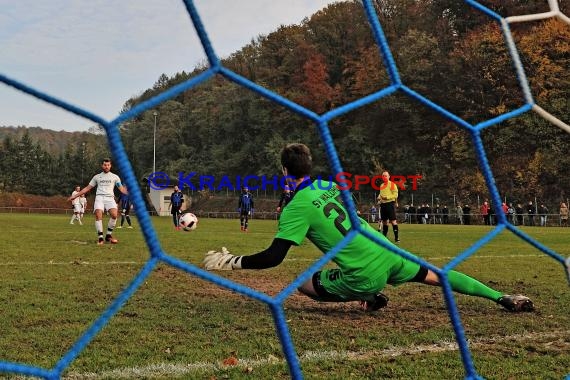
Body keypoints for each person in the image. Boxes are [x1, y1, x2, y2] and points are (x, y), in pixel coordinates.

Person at [203, 143, 534, 313]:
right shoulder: (328, 184)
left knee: (303, 284)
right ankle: (501, 297)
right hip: (387, 251)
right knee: (439, 276)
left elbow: (274, 257)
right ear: (309, 166)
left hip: (364, 272)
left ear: (284, 170)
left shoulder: (295, 208)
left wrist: (233, 262)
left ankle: (370, 296)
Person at [67, 158, 127, 245]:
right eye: (105, 165)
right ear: (102, 166)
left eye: (108, 165)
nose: (106, 167)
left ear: (110, 166)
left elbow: (121, 188)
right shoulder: (97, 177)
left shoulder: (115, 177)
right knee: (98, 215)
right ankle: (100, 238)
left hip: (110, 198)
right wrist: (75, 196)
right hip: (99, 198)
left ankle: (108, 236)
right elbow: (87, 188)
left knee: (114, 215)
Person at [376, 171, 400, 242]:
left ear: (389, 176)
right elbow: (380, 194)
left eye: (386, 176)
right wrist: (379, 199)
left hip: (390, 204)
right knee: (384, 222)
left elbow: (395, 195)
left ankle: (396, 238)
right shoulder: (381, 185)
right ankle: (384, 238)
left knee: (393, 221)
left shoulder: (392, 184)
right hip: (383, 205)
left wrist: (387, 197)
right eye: (383, 176)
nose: (384, 177)